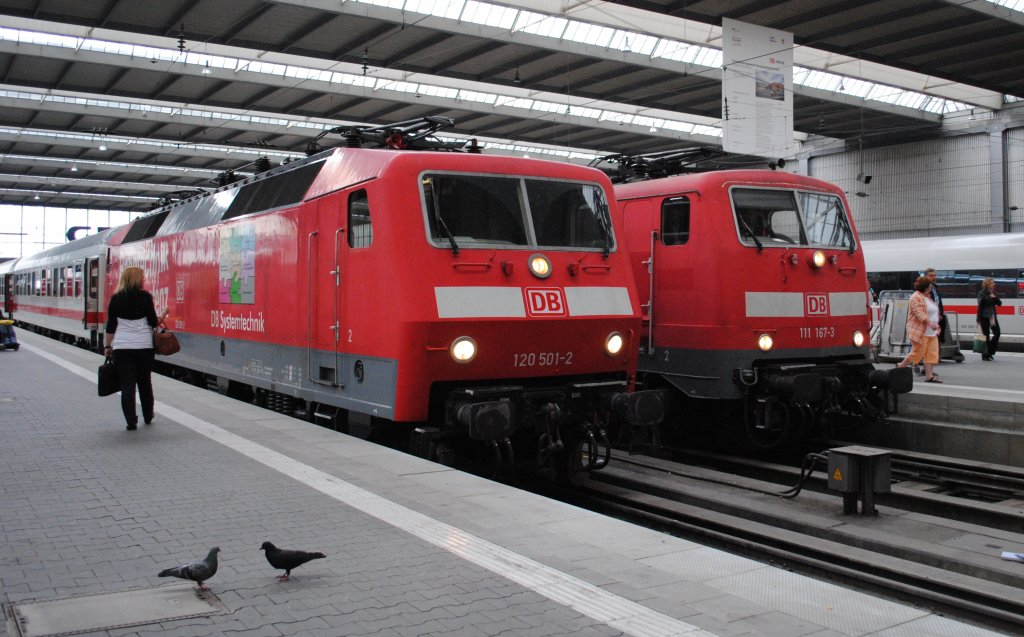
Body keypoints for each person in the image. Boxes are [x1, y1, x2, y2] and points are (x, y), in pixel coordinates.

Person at [103, 267, 166, 430]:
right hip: (144, 347)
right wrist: (161, 316)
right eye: (142, 277)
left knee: (127, 384)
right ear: (136, 279)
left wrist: (107, 346)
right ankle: (148, 415)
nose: (144, 279)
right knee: (145, 382)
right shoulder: (145, 297)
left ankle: (131, 421)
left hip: (122, 347)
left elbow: (111, 326)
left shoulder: (116, 299)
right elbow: (153, 322)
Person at [896, 275, 942, 383]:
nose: (931, 288)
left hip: (932, 332)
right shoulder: (915, 297)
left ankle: (929, 376)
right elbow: (919, 313)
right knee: (918, 352)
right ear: (926, 287)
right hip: (921, 331)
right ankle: (901, 365)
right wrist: (931, 323)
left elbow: (932, 310)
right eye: (930, 286)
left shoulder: (928, 296)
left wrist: (937, 320)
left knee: (932, 354)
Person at [976, 277, 1002, 362]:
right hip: (984, 317)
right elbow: (980, 306)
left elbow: (999, 303)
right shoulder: (981, 293)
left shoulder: (993, 293)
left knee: (997, 333)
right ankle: (985, 355)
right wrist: (978, 319)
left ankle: (989, 352)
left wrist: (994, 297)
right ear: (988, 284)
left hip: (992, 317)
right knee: (986, 336)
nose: (994, 284)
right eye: (992, 283)